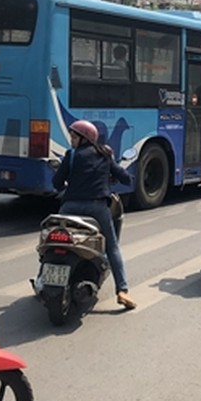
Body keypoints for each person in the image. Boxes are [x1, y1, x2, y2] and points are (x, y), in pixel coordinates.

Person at [52, 120, 136, 310]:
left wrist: (63, 184)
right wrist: (128, 178)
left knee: (54, 237)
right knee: (112, 247)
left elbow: (57, 182)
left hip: (69, 207)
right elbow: (122, 175)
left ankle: (43, 278)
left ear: (84, 139)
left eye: (74, 137)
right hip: (97, 209)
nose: (71, 140)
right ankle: (122, 290)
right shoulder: (105, 155)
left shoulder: (71, 156)